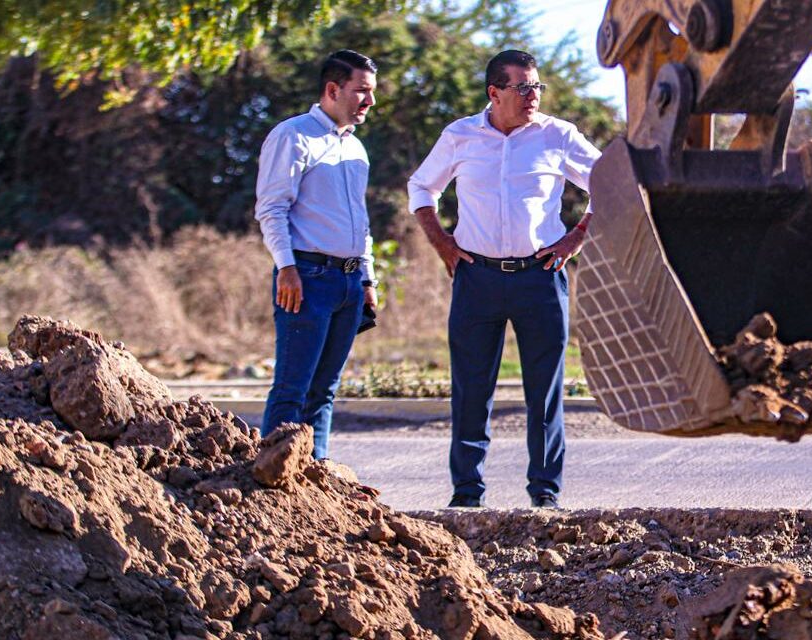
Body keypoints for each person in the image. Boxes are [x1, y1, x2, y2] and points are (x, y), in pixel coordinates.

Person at [408, 49, 601, 509]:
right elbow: (422, 187)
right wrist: (443, 243)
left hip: (541, 278)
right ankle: (466, 494)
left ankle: (545, 494)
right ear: (494, 93)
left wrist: (575, 238)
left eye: (536, 87)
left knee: (545, 392)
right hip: (476, 278)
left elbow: (610, 183)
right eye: (522, 87)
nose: (532, 95)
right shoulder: (460, 136)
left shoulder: (559, 135)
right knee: (471, 389)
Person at [254, 49, 380, 459]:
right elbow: (272, 209)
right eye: (361, 91)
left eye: (372, 92)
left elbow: (360, 221)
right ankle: (271, 480)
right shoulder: (293, 135)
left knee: (325, 391)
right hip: (307, 278)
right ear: (332, 89)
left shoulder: (356, 149)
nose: (369, 101)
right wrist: (286, 268)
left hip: (347, 281)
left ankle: (315, 477)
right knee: (294, 386)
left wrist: (367, 278)